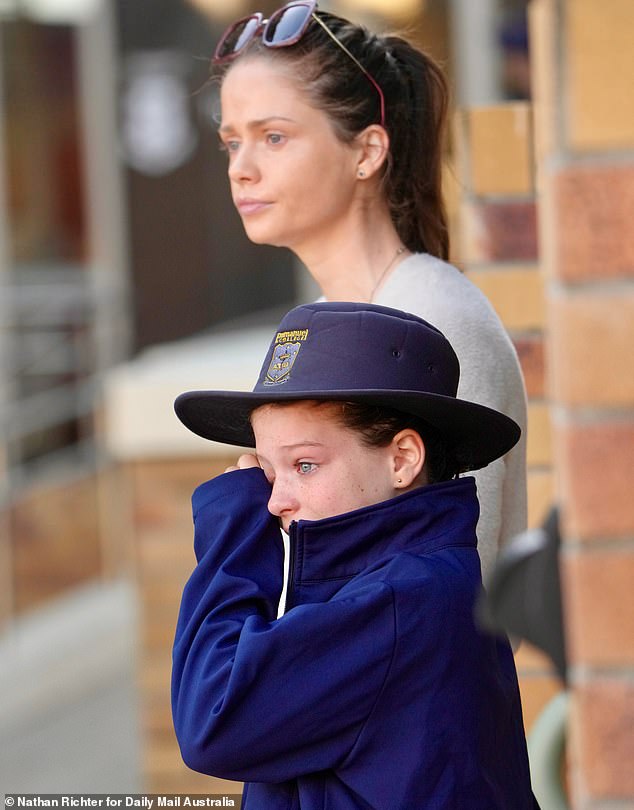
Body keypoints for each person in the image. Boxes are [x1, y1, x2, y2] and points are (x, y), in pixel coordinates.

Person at [172, 301, 539, 810]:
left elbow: (214, 718)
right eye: (268, 473)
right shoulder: (402, 586)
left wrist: (233, 533)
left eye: (304, 464)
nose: (273, 501)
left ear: (402, 459)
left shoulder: (401, 600)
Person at [209, 1, 528, 581]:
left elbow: (447, 594)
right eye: (233, 142)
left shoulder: (431, 319)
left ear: (367, 151)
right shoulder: (327, 325)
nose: (241, 168)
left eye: (273, 137)